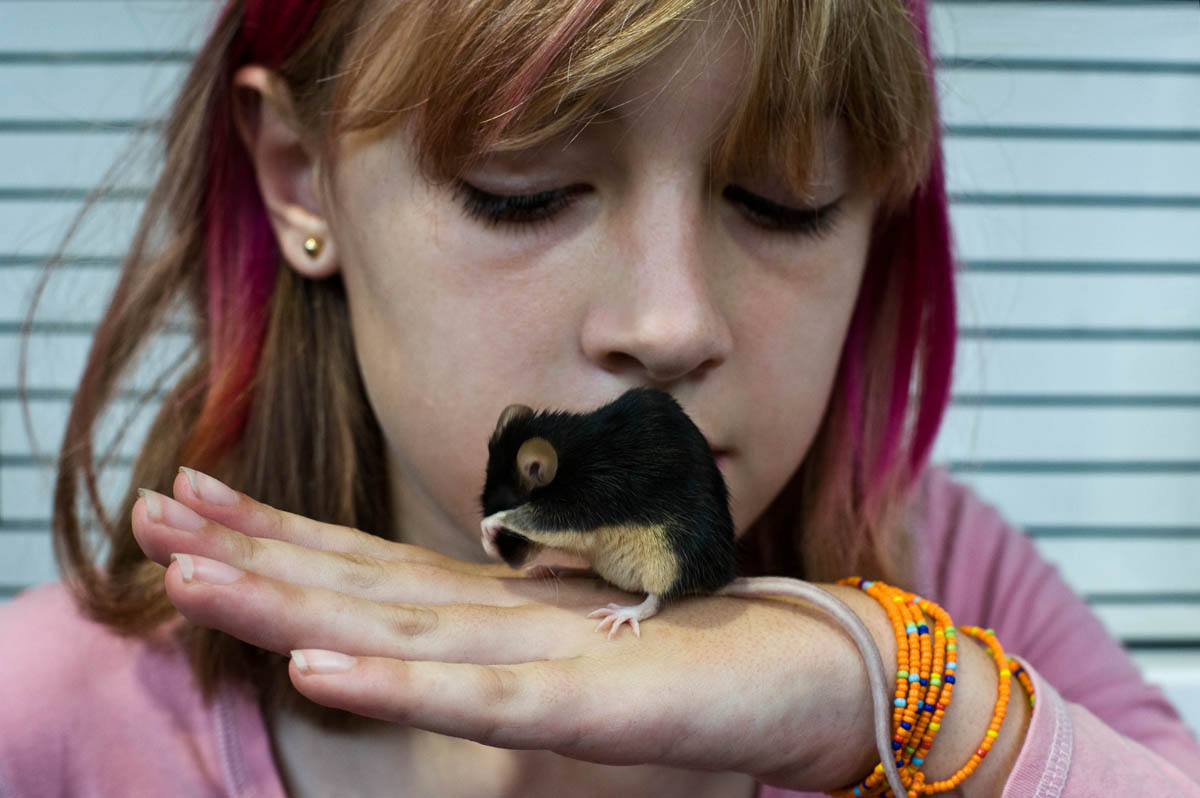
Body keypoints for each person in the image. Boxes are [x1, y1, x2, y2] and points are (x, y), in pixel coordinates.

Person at [2, 0, 1198, 795]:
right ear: (300, 180)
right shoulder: (52, 718)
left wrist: (903, 703)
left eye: (784, 202)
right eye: (522, 191)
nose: (673, 322)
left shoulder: (957, 589)